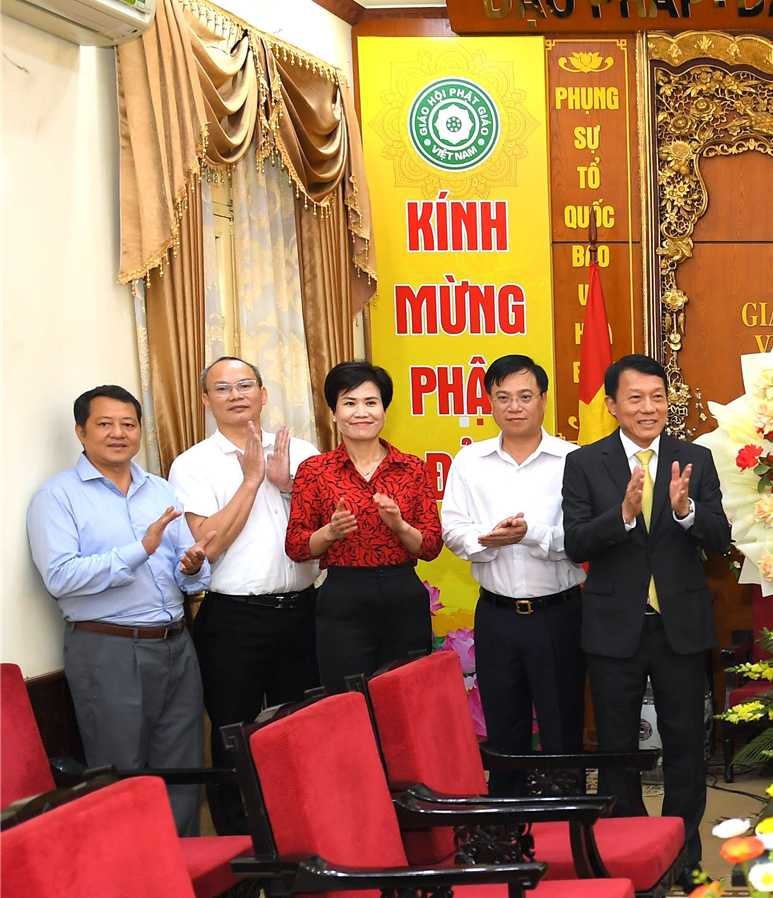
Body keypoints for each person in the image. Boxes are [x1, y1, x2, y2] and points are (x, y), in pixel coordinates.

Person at [562, 354, 730, 880]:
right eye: (635, 398)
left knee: (685, 745)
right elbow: (575, 543)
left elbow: (721, 539)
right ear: (612, 405)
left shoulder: (695, 458)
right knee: (617, 749)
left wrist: (685, 513)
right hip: (615, 628)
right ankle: (632, 856)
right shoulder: (586, 464)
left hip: (680, 626)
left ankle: (683, 854)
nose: (649, 408)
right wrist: (624, 516)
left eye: (657, 397)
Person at [26, 386, 212, 834]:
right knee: (120, 774)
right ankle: (132, 889)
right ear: (81, 432)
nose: (118, 433)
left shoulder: (160, 489)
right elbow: (61, 577)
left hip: (175, 645)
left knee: (183, 770)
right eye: (105, 424)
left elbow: (190, 572)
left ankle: (184, 885)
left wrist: (192, 569)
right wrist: (139, 549)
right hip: (108, 648)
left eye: (128, 424)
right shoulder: (57, 497)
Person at [168, 358, 321, 834]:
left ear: (263, 392)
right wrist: (252, 480)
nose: (235, 395)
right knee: (234, 731)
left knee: (300, 729)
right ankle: (241, 843)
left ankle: (301, 833)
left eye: (244, 385)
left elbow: (324, 531)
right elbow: (206, 542)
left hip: (303, 611)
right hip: (233, 617)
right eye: (222, 388)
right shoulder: (192, 464)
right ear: (205, 401)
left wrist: (288, 485)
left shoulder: (303, 451)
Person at [441, 355, 585, 797]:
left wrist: (532, 535)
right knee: (505, 731)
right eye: (503, 397)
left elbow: (584, 538)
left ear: (544, 401)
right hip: (497, 616)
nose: (514, 407)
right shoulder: (470, 461)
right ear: (489, 402)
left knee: (563, 730)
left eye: (525, 396)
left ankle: (569, 827)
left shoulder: (573, 460)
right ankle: (506, 834)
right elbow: (451, 526)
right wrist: (487, 541)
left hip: (557, 615)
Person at [284, 362, 442, 692]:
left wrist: (399, 525)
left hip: (403, 596)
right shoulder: (314, 471)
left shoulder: (412, 468)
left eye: (371, 402)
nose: (361, 412)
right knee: (347, 704)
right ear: (333, 412)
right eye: (349, 402)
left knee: (405, 701)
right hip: (343, 600)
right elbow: (297, 547)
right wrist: (331, 532)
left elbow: (430, 547)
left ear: (384, 411)